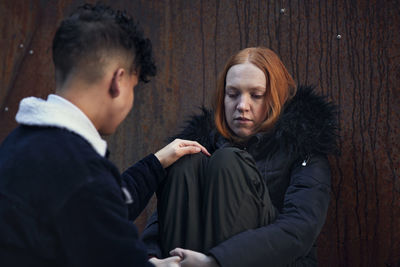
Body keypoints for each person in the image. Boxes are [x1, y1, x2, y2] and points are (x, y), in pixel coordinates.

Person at [0, 3, 210, 267]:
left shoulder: (18, 144)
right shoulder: (81, 171)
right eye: (134, 87)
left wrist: (156, 163)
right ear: (117, 81)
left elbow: (100, 208)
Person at [141, 47, 337, 266]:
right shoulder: (203, 146)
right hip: (193, 257)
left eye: (256, 95)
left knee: (228, 162)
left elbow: (299, 228)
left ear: (276, 98)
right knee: (186, 160)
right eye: (233, 94)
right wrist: (151, 260)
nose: (242, 106)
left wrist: (215, 261)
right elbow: (162, 219)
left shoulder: (303, 149)